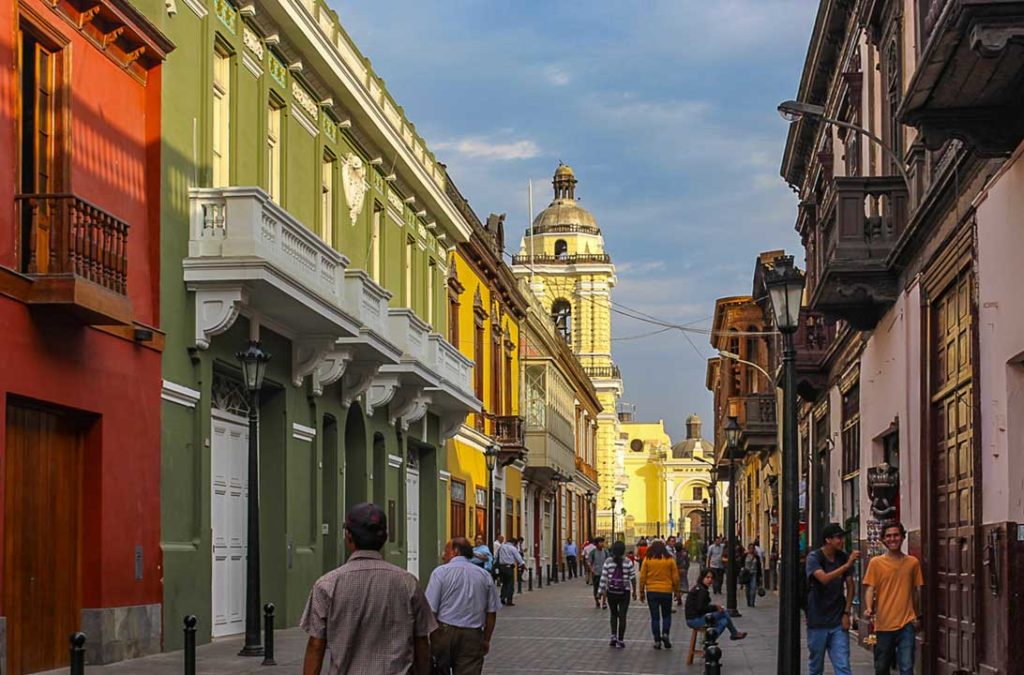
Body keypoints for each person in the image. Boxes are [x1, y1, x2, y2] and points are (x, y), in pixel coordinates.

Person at [300, 502, 435, 675]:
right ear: (385, 538)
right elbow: (421, 641)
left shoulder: (327, 584)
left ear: (348, 536)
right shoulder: (408, 583)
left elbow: (316, 645)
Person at [425, 537, 501, 675]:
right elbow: (491, 613)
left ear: (455, 551)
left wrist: (432, 636)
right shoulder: (484, 576)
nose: (443, 555)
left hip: (444, 632)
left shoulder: (440, 573)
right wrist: (486, 639)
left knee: (439, 670)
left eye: (446, 550)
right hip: (472, 634)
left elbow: (431, 609)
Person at [863, 522, 923, 675]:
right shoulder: (876, 563)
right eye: (888, 536)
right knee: (882, 668)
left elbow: (916, 591)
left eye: (896, 535)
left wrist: (917, 615)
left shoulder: (912, 563)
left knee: (907, 667)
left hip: (907, 623)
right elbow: (870, 588)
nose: (892, 539)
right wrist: (869, 608)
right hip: (883, 624)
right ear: (883, 539)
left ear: (902, 537)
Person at [805, 523, 859, 675]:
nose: (842, 541)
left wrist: (847, 613)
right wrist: (847, 564)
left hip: (837, 621)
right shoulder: (814, 557)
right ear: (828, 540)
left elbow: (850, 586)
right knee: (816, 667)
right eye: (838, 538)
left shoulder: (842, 556)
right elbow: (824, 579)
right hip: (817, 621)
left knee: (843, 666)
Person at [638, 540, 680, 649]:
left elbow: (642, 577)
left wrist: (641, 591)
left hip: (652, 591)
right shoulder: (670, 560)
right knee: (666, 615)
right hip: (666, 591)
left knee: (655, 617)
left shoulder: (648, 559)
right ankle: (665, 633)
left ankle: (657, 640)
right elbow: (675, 577)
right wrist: (677, 591)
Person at [684, 567, 746, 641]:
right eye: (707, 577)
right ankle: (734, 633)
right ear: (702, 578)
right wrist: (715, 607)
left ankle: (710, 638)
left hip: (693, 619)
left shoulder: (700, 588)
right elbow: (700, 608)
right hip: (694, 620)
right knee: (723, 612)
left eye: (711, 578)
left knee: (724, 621)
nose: (710, 580)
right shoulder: (701, 591)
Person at [598, 540, 637, 648]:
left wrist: (600, 592)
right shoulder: (628, 562)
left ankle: (613, 636)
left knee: (613, 614)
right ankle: (620, 639)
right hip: (624, 592)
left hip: (612, 592)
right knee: (623, 616)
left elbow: (604, 578)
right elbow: (633, 577)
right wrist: (634, 591)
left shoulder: (608, 562)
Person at [495, 536, 523, 607]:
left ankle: (502, 597)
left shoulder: (501, 547)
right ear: (514, 543)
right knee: (510, 584)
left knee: (504, 583)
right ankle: (509, 600)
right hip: (509, 567)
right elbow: (518, 557)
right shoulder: (513, 548)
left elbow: (496, 556)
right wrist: (523, 564)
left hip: (501, 567)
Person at [587, 537, 610, 609]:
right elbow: (589, 562)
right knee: (596, 588)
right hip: (596, 573)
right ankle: (597, 601)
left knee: (604, 588)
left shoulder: (606, 552)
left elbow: (608, 561)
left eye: (603, 542)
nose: (602, 544)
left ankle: (604, 603)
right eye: (600, 542)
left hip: (604, 573)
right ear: (596, 544)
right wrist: (592, 570)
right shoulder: (593, 552)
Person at [742, 543, 763, 608]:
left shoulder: (757, 557)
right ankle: (748, 601)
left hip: (754, 573)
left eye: (752, 548)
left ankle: (752, 602)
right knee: (747, 589)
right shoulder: (745, 555)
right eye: (750, 548)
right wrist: (742, 569)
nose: (751, 550)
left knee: (753, 588)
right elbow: (741, 563)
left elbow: (759, 566)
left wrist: (760, 576)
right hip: (747, 574)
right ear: (748, 549)